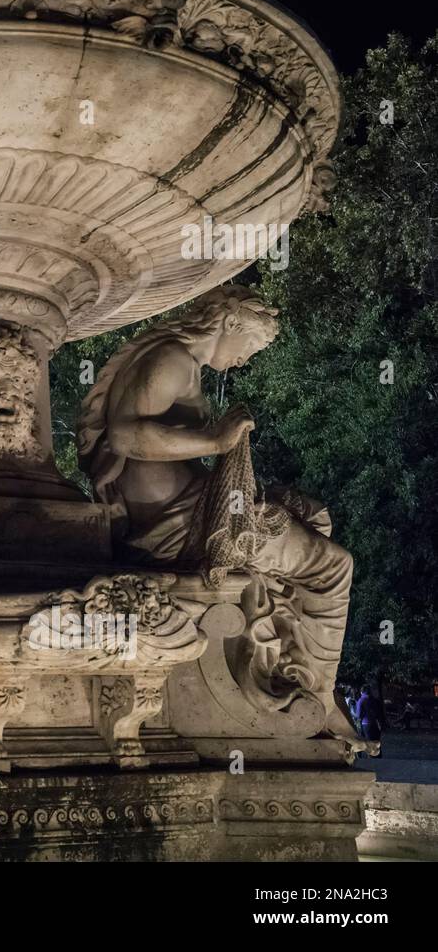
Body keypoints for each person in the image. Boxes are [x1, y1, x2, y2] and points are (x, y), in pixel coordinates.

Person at [77, 285, 361, 746]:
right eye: (251, 345)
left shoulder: (175, 358)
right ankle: (320, 699)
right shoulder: (173, 359)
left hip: (192, 507)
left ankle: (278, 662)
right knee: (334, 565)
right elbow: (126, 438)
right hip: (180, 525)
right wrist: (216, 441)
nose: (246, 359)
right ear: (230, 324)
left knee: (314, 514)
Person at [356, 685, 384, 751]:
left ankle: (371, 758)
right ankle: (378, 756)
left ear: (361, 692)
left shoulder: (361, 700)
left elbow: (359, 715)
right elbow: (380, 713)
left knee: (369, 743)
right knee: (376, 743)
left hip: (366, 724)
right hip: (376, 724)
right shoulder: (376, 700)